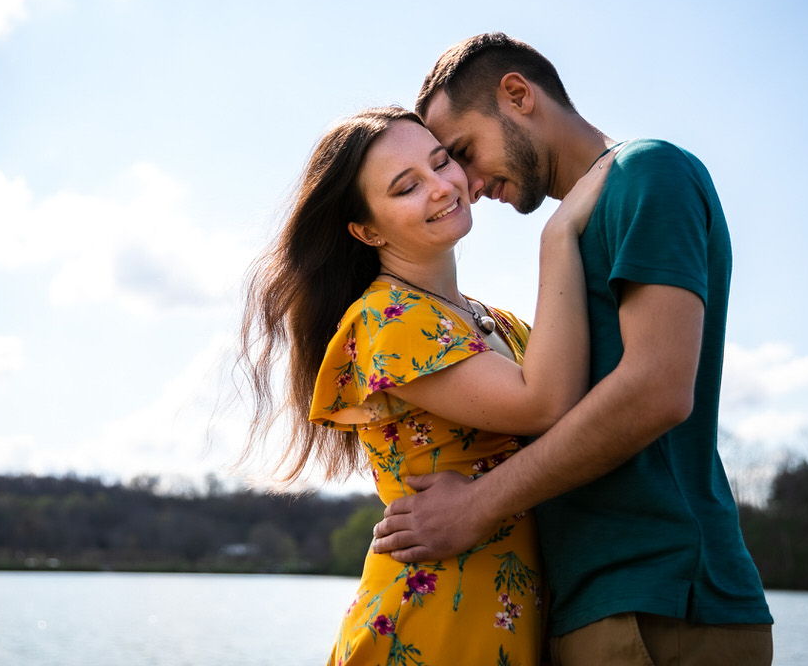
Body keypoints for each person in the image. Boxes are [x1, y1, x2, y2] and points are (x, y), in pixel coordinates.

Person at [371, 33, 774, 665]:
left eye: (463, 153)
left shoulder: (647, 173)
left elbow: (657, 389)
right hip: (598, 606)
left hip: (659, 602)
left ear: (517, 94)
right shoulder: (580, 227)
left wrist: (478, 505)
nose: (466, 184)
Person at [236, 105, 614, 665]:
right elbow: (545, 403)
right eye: (407, 186)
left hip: (514, 619)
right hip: (431, 624)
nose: (441, 187)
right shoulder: (386, 320)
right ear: (367, 230)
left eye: (442, 163)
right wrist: (558, 236)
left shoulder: (499, 324)